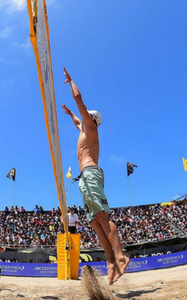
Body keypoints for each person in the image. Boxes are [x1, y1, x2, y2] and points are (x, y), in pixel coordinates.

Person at [60, 67, 128, 284]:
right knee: (94, 222)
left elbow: (79, 97)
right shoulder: (84, 129)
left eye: (84, 116)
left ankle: (120, 256)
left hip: (90, 174)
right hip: (85, 178)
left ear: (92, 119)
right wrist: (70, 114)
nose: (81, 118)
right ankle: (110, 261)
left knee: (102, 217)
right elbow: (77, 122)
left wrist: (71, 81)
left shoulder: (91, 127)